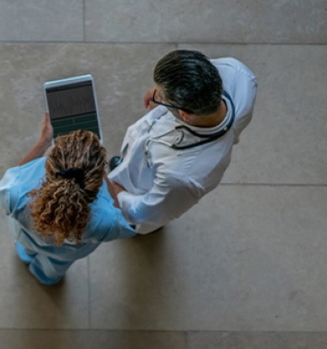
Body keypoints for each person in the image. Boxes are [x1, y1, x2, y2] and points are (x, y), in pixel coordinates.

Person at [106, 49, 257, 234]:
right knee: (130, 158)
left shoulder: (180, 177)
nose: (154, 95)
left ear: (185, 115)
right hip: (149, 148)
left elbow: (146, 212)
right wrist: (161, 90)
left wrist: (116, 193)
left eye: (160, 96)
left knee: (135, 206)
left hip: (146, 187)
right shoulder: (238, 74)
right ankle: (124, 167)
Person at [0, 113, 136, 285]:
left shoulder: (17, 193)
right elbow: (118, 217)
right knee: (55, 266)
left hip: (26, 237)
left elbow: (12, 178)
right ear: (94, 181)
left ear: (49, 164)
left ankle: (26, 255)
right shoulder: (106, 221)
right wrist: (105, 176)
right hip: (67, 253)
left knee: (26, 247)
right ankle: (46, 276)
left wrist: (43, 142)